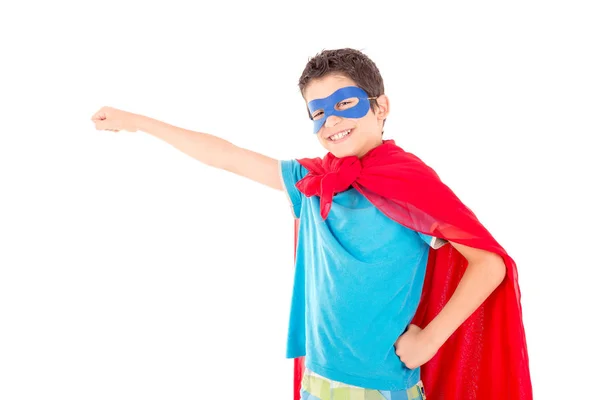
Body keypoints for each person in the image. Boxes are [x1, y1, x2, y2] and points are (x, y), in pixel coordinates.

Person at [90, 48, 532, 400]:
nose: (331, 120)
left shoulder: (411, 182)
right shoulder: (312, 181)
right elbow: (225, 154)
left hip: (384, 383)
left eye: (345, 103)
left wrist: (430, 341)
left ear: (381, 107)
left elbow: (489, 263)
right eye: (317, 112)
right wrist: (137, 123)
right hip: (318, 380)